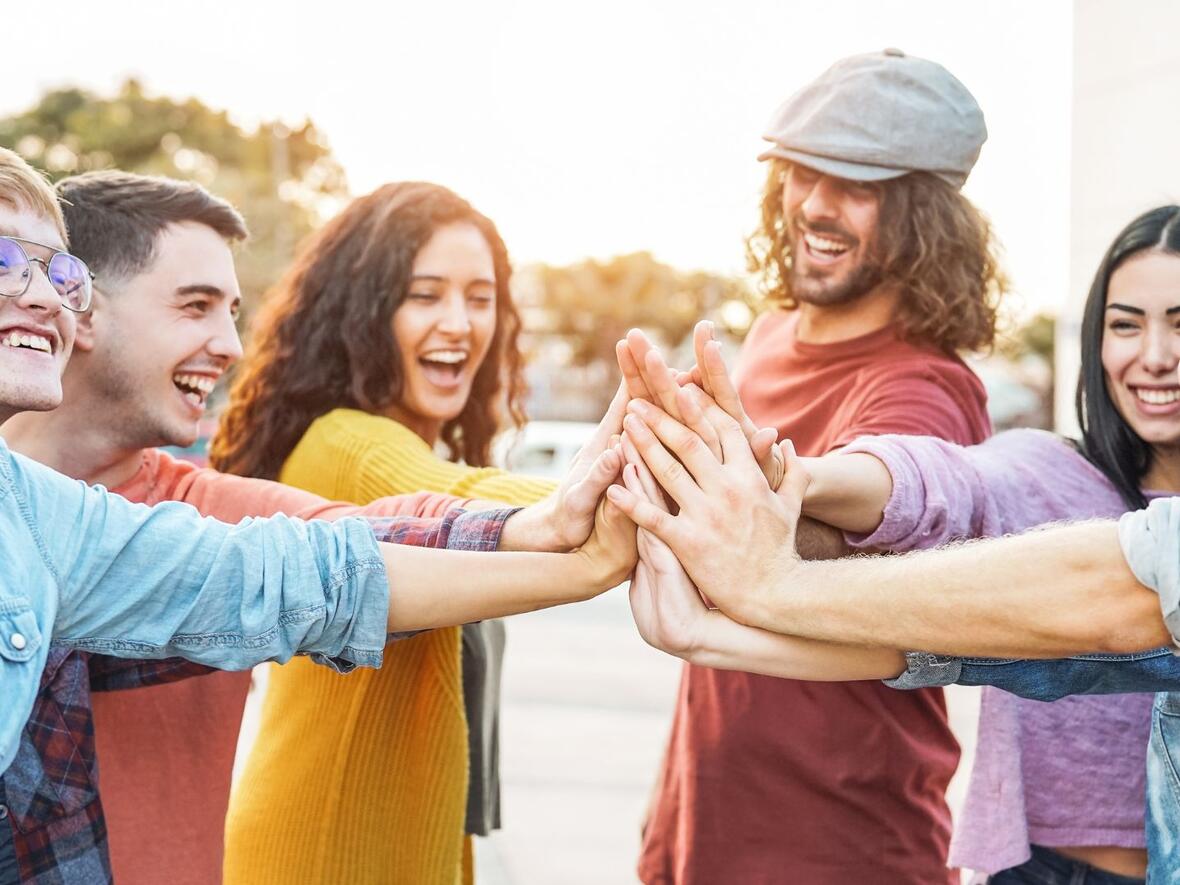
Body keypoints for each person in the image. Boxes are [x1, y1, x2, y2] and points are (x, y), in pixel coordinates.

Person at [0, 148, 636, 884]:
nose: (230, 345)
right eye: (195, 304)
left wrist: (554, 525)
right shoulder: (337, 443)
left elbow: (324, 562)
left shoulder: (80, 529)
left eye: (56, 273)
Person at [614, 204, 1180, 882]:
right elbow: (940, 486)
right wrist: (799, 477)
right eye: (1125, 324)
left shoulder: (924, 381)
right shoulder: (1050, 471)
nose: (1153, 356)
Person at [629, 49, 1004, 885]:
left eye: (856, 185)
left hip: (844, 844)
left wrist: (784, 493)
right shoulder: (762, 339)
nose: (814, 205)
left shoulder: (925, 386)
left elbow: (887, 490)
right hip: (702, 825)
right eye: (800, 173)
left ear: (923, 217)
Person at [208, 182, 585, 884]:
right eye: (425, 294)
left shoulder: (410, 448)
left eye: (481, 298)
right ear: (365, 312)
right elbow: (468, 501)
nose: (460, 322)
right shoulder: (346, 445)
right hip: (325, 853)